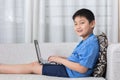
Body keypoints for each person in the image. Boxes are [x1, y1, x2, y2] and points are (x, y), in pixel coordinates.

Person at [0, 8, 99, 78]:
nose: (78, 27)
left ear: (92, 23)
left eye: (82, 23)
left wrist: (61, 61)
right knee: (35, 64)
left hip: (71, 73)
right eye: (75, 24)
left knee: (33, 67)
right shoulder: (86, 41)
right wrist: (61, 58)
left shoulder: (90, 43)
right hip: (69, 69)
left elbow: (82, 69)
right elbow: (78, 60)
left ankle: (2, 68)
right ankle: (3, 66)